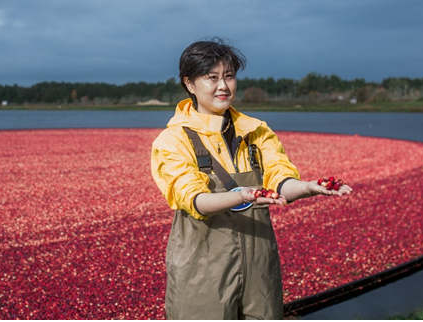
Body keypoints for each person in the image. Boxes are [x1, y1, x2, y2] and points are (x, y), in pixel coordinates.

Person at [150, 37, 353, 320]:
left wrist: (309, 187)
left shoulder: (256, 133)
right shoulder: (173, 140)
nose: (223, 86)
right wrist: (241, 195)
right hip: (202, 269)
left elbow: (280, 180)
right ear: (189, 83)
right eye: (212, 78)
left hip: (259, 263)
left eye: (229, 76)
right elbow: (193, 199)